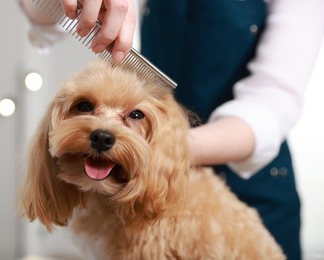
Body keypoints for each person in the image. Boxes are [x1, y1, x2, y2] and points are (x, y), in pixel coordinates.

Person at [19, 0, 324, 259]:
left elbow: (270, 107)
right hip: (126, 184)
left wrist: (163, 149)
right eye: (86, 107)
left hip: (258, 187)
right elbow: (43, 21)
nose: (101, 130)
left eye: (133, 114)